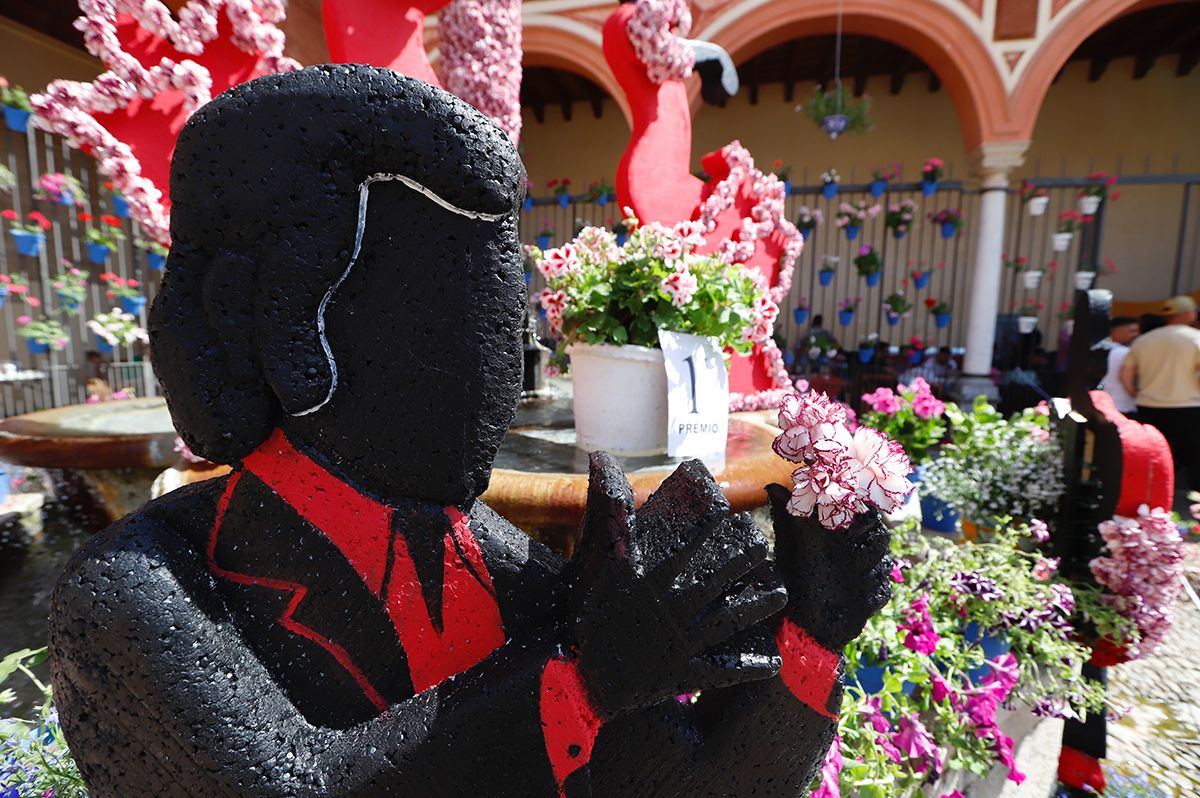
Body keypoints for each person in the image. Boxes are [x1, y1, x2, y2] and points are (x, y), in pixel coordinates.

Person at [1120, 295, 1200, 501]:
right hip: (1189, 407)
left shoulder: (1144, 340)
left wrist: (1134, 393)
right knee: (1194, 458)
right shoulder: (1196, 338)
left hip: (1149, 405)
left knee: (1155, 454)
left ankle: (1149, 496)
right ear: (1189, 314)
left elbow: (1126, 374)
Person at [1100, 317, 1139, 415]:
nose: (1136, 334)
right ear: (1115, 332)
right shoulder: (1125, 352)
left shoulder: (1101, 351)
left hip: (1105, 406)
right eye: (1132, 331)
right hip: (1124, 406)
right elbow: (1128, 379)